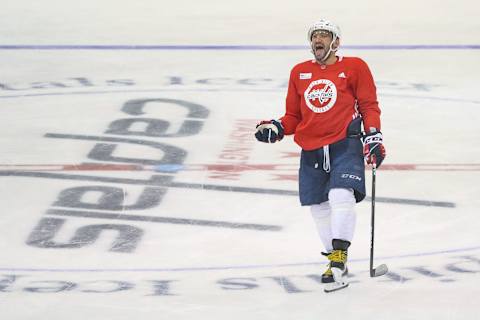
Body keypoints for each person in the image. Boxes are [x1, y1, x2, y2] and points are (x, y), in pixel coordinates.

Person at [254, 19, 386, 287]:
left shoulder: (355, 67)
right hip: (311, 147)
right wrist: (276, 128)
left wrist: (373, 135)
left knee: (340, 194)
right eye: (315, 36)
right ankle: (335, 258)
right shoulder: (299, 72)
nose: (319, 40)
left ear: (336, 42)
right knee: (318, 206)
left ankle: (339, 257)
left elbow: (369, 104)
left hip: (344, 143)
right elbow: (293, 116)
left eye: (325, 35)